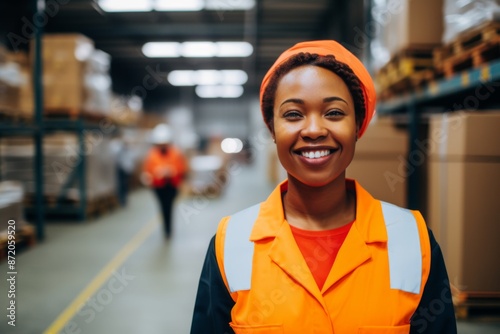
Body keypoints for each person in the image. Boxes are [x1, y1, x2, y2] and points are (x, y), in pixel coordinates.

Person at [190, 40, 457, 333]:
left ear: (357, 126)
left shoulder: (412, 241)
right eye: (293, 114)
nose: (314, 130)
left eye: (334, 113)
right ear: (272, 129)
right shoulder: (231, 245)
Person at [141, 123, 187, 238]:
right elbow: (148, 170)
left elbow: (182, 168)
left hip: (172, 185)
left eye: (164, 143)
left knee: (169, 206)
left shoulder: (176, 153)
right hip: (158, 186)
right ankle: (166, 229)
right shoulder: (152, 154)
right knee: (163, 207)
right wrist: (149, 175)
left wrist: (172, 171)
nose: (162, 146)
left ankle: (168, 230)